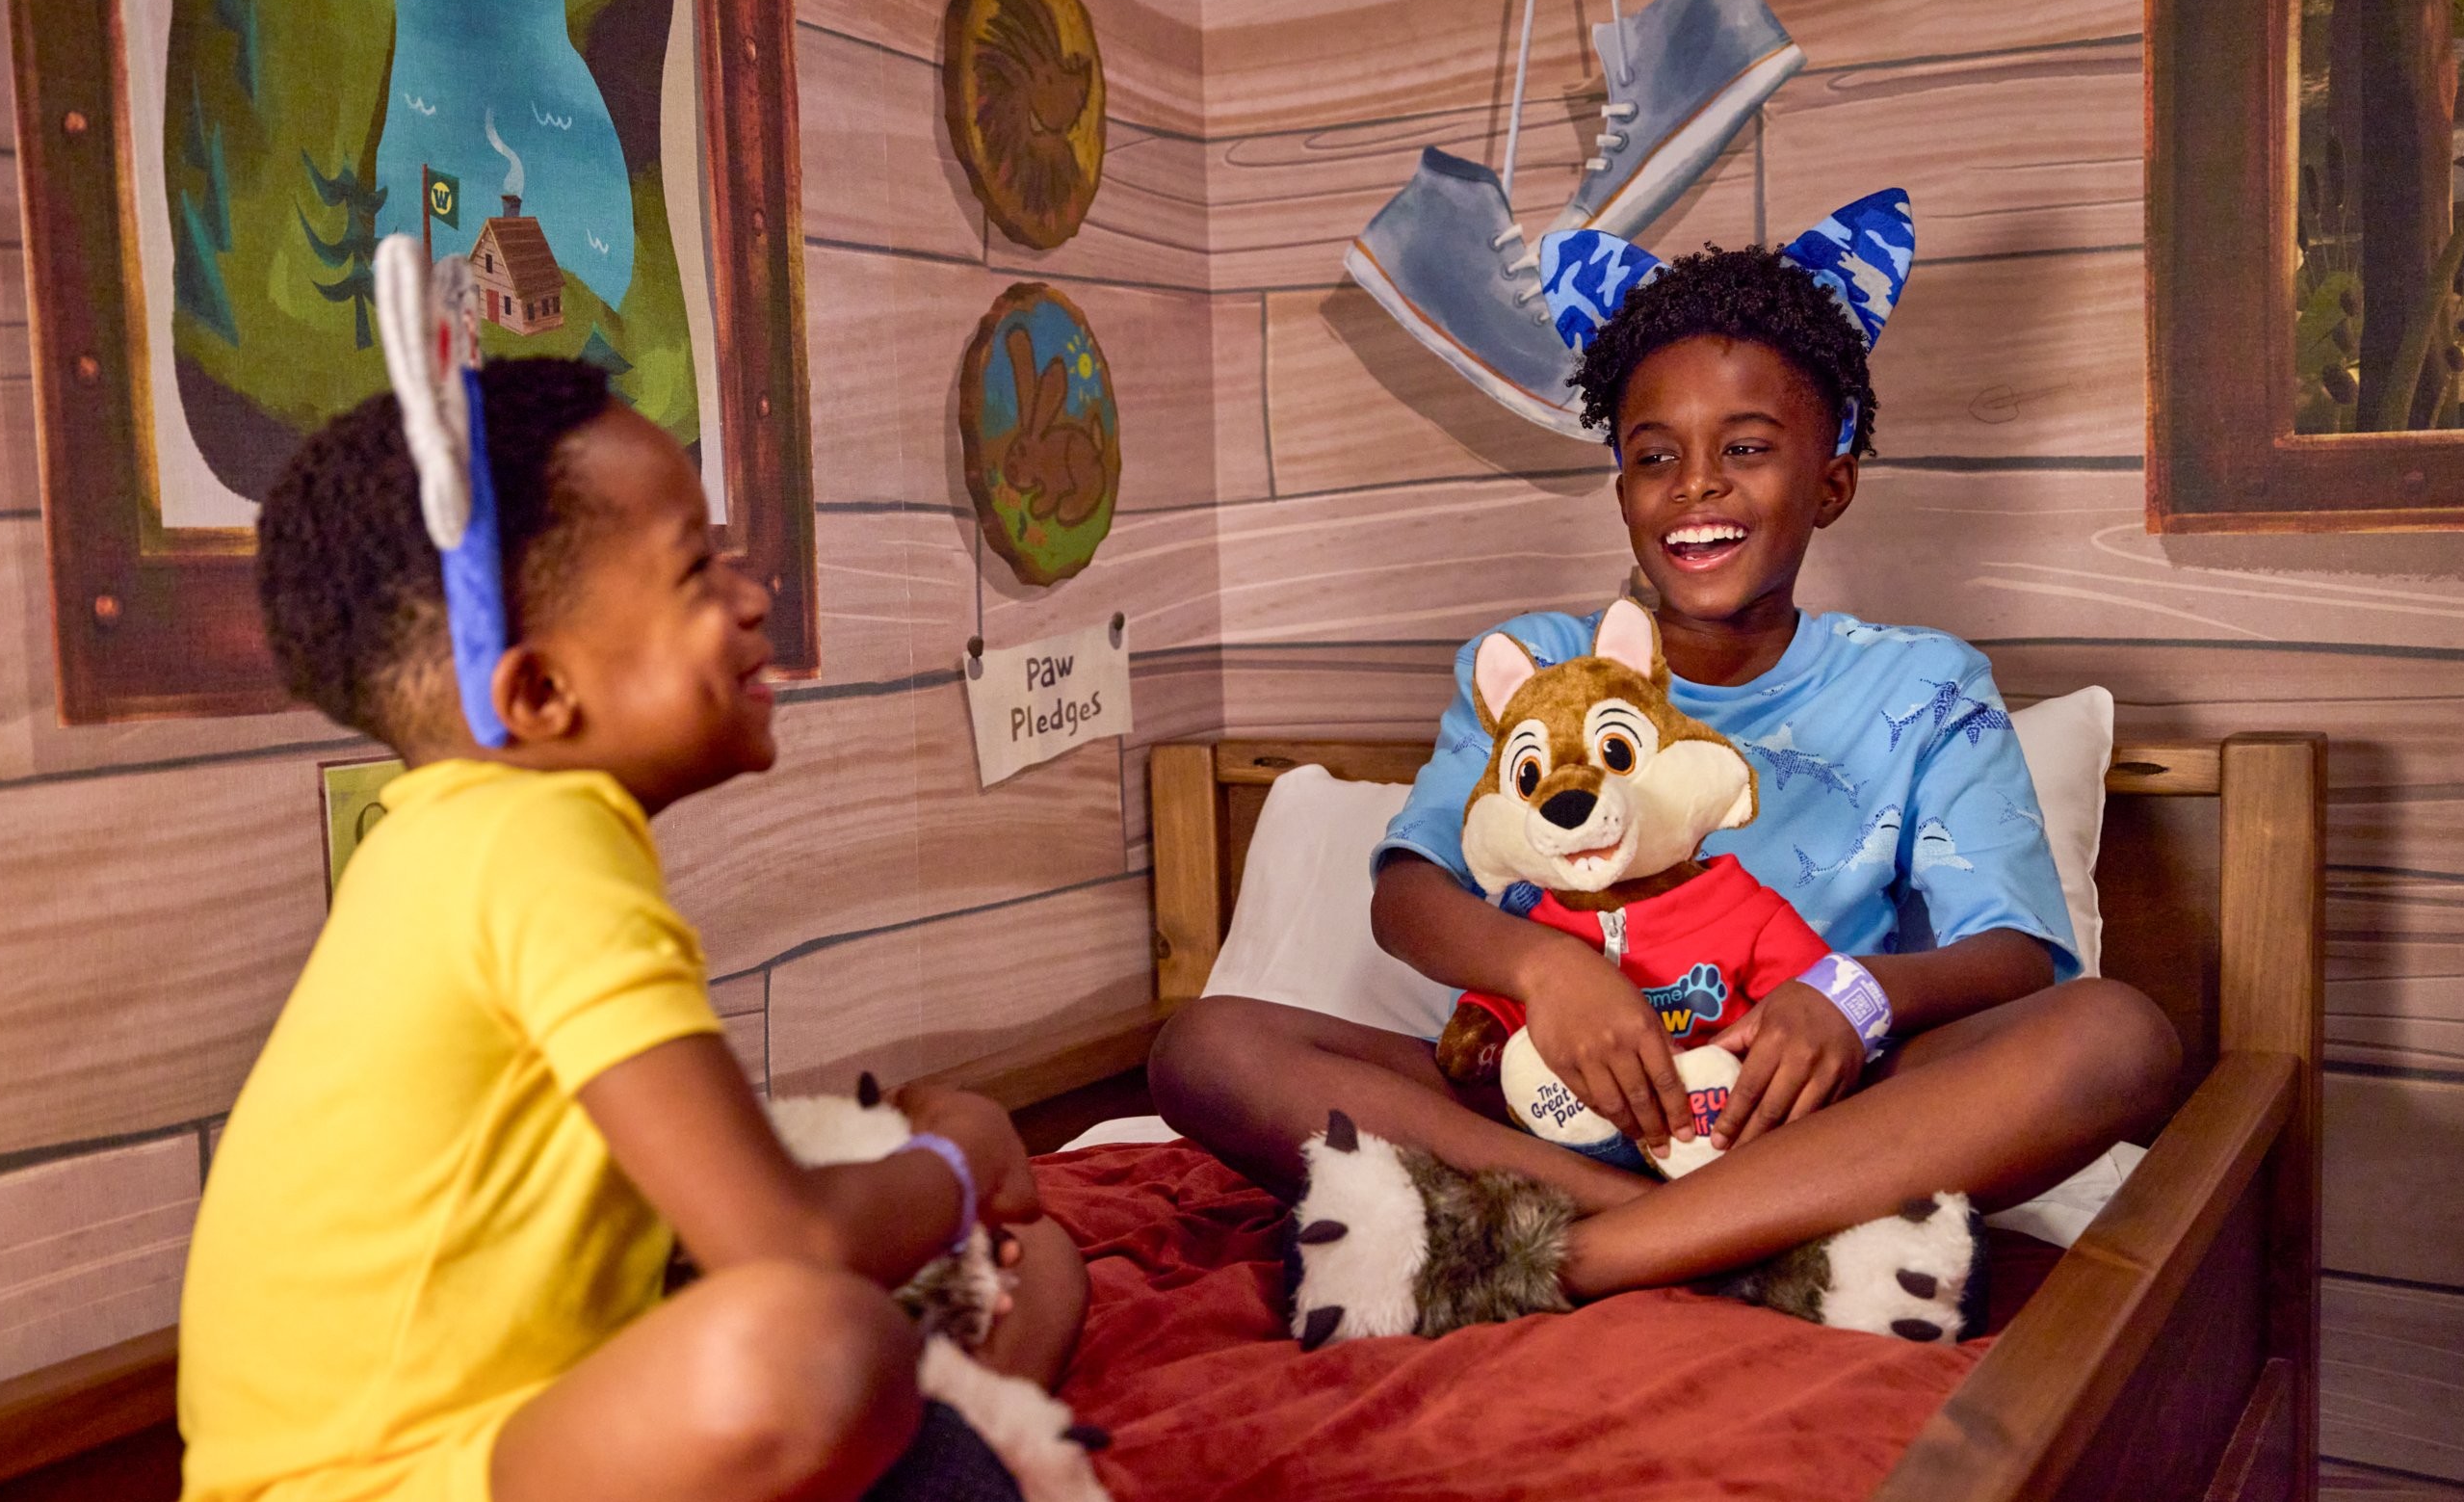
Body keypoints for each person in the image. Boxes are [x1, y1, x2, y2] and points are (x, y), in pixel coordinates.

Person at [1148, 243, 2182, 1302]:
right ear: (1622, 491)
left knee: (2118, 1039)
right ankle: (1716, 1237)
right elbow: (1409, 896)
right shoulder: (1537, 663)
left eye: (1746, 447)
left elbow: (2012, 956)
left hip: (1801, 1118)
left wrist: (1853, 997)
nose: (1697, 485)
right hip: (1534, 1100)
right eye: (1655, 456)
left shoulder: (1922, 685)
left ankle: (1575, 1259)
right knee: (1208, 1044)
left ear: (1832, 483)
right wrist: (1549, 975)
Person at [179, 358, 1087, 1502]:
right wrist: (961, 1159)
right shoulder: (536, 843)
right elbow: (789, 1249)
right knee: (819, 1349)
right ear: (542, 698)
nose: (752, 595)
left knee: (999, 1323)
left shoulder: (446, 843)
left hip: (507, 1440)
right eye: (697, 569)